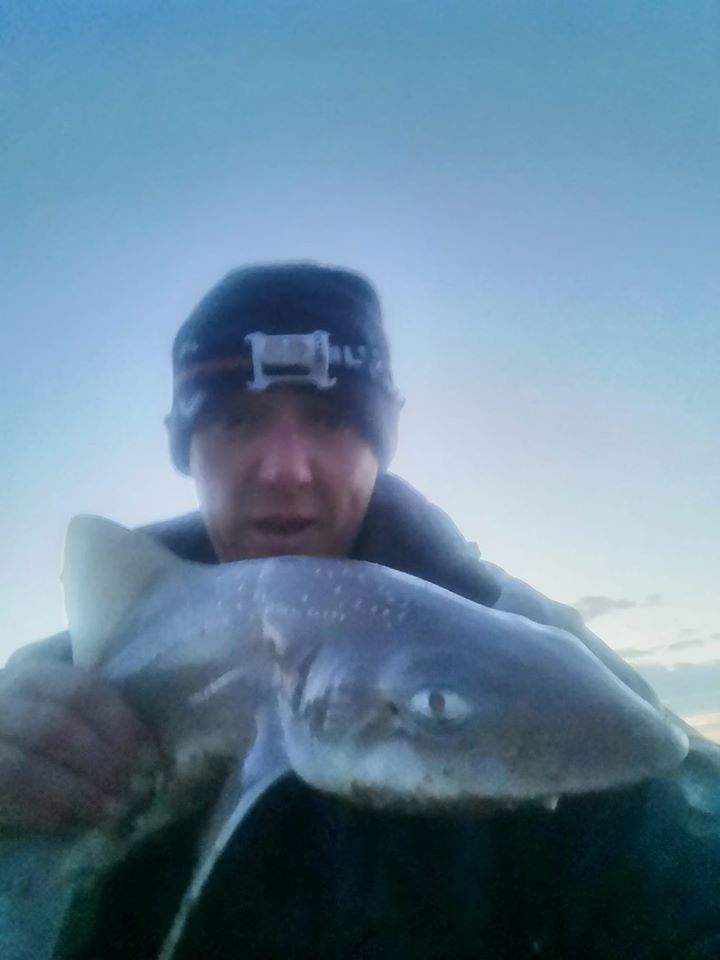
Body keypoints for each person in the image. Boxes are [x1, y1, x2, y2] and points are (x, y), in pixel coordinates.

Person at [1, 263, 719, 959]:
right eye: (237, 419)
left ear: (385, 436)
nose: (286, 468)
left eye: (330, 418)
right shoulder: (50, 684)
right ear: (185, 444)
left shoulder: (536, 661)